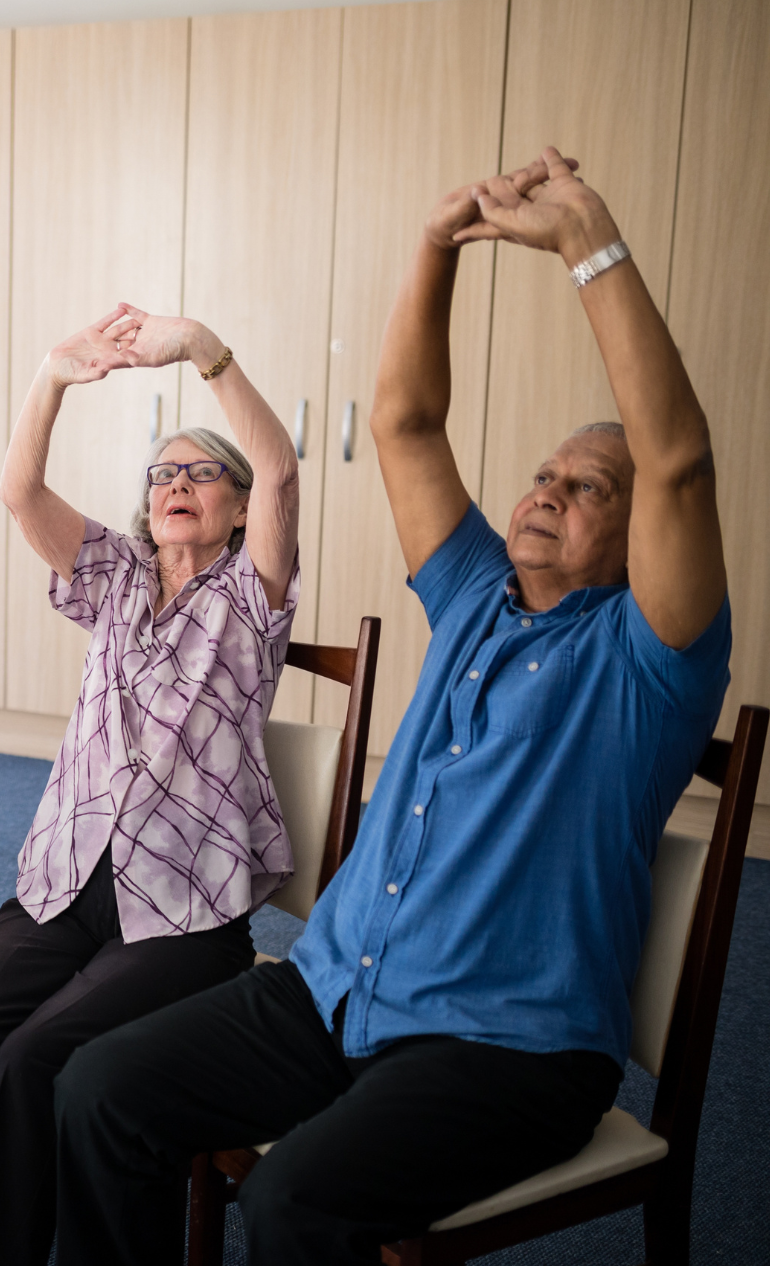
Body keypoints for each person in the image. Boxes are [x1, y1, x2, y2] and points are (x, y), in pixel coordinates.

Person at [51, 149, 731, 1266]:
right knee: (96, 1089)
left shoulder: (646, 659)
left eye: (587, 488)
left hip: (502, 1049)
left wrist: (585, 247)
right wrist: (432, 243)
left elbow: (679, 464)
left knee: (290, 1207)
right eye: (543, 474)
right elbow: (407, 423)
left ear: (634, 535)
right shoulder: (471, 594)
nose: (546, 492)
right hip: (334, 990)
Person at [0, 307, 301, 1265]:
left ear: (239, 505)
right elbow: (18, 490)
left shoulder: (250, 598)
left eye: (200, 472)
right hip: (67, 875)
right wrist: (52, 377)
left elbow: (285, 465)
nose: (176, 484)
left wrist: (205, 350)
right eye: (162, 472)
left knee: (34, 1056)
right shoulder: (119, 576)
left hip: (185, 908)